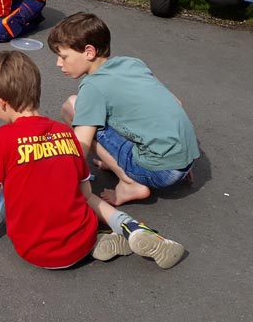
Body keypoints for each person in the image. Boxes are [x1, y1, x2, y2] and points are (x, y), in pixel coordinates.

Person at [0, 51, 185, 269]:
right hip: (82, 241)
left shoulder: (2, 138)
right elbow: (84, 192)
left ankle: (100, 239)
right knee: (65, 188)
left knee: (1, 192)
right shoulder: (65, 131)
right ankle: (108, 235)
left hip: (38, 254)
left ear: (1, 102)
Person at [47, 12, 200, 206]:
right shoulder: (132, 63)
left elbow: (81, 145)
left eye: (63, 56)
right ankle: (121, 162)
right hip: (185, 159)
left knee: (71, 108)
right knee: (111, 112)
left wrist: (55, 180)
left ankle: (129, 183)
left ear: (89, 52)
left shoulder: (93, 86)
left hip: (160, 172)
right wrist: (181, 154)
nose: (58, 64)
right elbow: (176, 103)